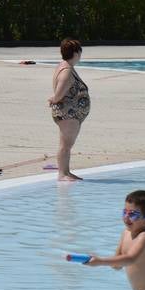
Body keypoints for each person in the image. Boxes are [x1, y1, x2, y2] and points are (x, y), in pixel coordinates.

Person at [48, 38, 90, 182]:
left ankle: (66, 171)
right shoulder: (66, 71)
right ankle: (62, 174)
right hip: (68, 114)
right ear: (76, 53)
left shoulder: (65, 67)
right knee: (65, 145)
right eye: (80, 52)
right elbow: (59, 94)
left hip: (70, 113)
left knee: (67, 145)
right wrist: (53, 99)